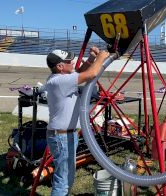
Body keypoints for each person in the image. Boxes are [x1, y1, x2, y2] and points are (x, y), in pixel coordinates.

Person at [42, 46, 109, 195]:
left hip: (65, 135)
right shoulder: (60, 81)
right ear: (60, 66)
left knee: (67, 177)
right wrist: (101, 58)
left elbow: (78, 73)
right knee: (63, 181)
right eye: (68, 61)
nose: (72, 62)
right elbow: (91, 74)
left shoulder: (59, 78)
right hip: (62, 137)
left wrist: (91, 59)